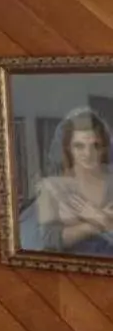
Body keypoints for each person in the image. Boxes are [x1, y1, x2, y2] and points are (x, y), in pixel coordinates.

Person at [20, 107, 113, 255]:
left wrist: (97, 216)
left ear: (103, 147)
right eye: (79, 146)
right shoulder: (51, 188)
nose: (88, 154)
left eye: (95, 145)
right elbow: (49, 241)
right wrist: (97, 222)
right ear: (68, 148)